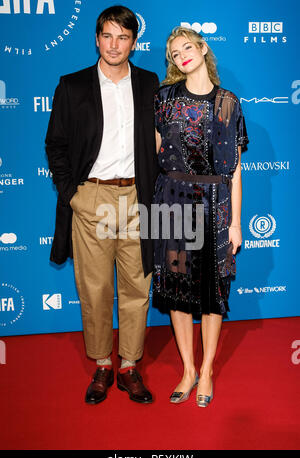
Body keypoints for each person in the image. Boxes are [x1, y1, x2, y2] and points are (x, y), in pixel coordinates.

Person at [45, 5, 159, 405]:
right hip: (91, 196)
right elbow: (55, 145)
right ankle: (102, 365)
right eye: (107, 36)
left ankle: (129, 365)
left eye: (123, 37)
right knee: (94, 288)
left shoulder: (148, 83)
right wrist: (73, 194)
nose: (114, 45)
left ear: (133, 42)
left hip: (137, 196)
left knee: (137, 286)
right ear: (96, 39)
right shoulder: (72, 85)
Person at [153, 27, 249, 407]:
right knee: (177, 292)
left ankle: (207, 370)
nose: (182, 57)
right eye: (175, 54)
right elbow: (153, 153)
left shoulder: (228, 102)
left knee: (211, 294)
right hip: (172, 202)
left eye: (187, 48)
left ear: (203, 47)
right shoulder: (164, 98)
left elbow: (236, 170)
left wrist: (236, 223)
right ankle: (188, 370)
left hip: (216, 203)